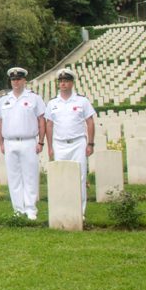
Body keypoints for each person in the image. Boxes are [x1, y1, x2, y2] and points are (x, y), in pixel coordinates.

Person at [0, 68, 46, 220]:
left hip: (28, 141)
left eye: (18, 79)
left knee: (30, 176)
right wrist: (2, 144)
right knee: (14, 177)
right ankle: (18, 209)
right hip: (10, 142)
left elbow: (41, 120)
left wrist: (41, 141)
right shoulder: (3, 100)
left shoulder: (34, 98)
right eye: (13, 80)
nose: (15, 82)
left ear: (24, 81)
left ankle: (30, 209)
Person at [45, 68, 97, 214]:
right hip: (59, 143)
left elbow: (90, 122)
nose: (63, 84)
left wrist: (90, 143)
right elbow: (49, 125)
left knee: (80, 178)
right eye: (61, 81)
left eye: (66, 81)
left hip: (78, 143)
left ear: (72, 83)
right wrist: (50, 147)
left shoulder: (82, 101)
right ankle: (63, 210)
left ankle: (80, 212)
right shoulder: (52, 103)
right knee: (61, 177)